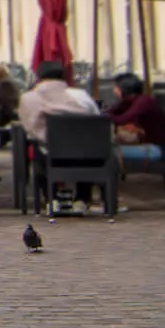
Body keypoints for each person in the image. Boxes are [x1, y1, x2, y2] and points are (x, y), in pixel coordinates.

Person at [19, 61, 102, 215]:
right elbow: (96, 118)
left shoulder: (28, 98)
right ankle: (81, 199)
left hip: (51, 155)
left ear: (39, 77)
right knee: (87, 148)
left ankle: (51, 198)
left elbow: (29, 128)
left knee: (37, 151)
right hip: (87, 155)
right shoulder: (80, 96)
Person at [106, 72, 165, 169]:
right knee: (101, 150)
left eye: (116, 87)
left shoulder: (143, 101)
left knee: (102, 152)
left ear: (124, 88)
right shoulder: (129, 101)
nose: (114, 90)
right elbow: (112, 113)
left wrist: (100, 117)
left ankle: (104, 181)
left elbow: (123, 119)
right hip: (146, 144)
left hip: (154, 149)